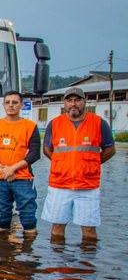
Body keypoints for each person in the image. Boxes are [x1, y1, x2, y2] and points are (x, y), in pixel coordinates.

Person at [41, 87, 115, 242]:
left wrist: (91, 164)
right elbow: (47, 149)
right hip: (59, 183)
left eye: (77, 100)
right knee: (57, 228)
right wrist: (61, 163)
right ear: (64, 103)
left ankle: (86, 263)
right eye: (69, 100)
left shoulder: (99, 123)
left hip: (88, 185)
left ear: (84, 102)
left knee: (89, 229)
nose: (73, 104)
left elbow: (110, 150)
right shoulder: (54, 124)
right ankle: (56, 264)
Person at [0, 90, 41, 234]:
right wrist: (3, 169)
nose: (11, 106)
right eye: (7, 102)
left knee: (28, 217)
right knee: (2, 217)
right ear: (3, 105)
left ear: (21, 105)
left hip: (22, 178)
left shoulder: (30, 126)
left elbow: (34, 153)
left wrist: (12, 169)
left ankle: (28, 253)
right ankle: (3, 252)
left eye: (15, 102)